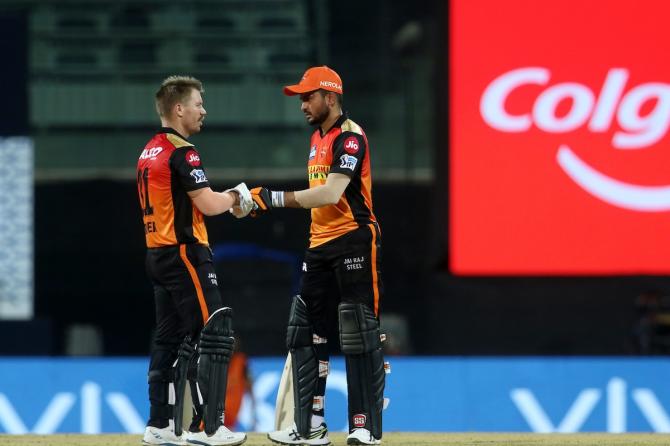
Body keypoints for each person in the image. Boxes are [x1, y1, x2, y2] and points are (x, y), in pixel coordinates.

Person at [245, 66, 386, 446]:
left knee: (358, 330)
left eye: (309, 96)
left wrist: (271, 199)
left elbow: (330, 194)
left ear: (331, 96)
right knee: (306, 332)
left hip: (355, 238)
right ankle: (311, 425)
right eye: (301, 97)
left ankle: (363, 425)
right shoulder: (316, 137)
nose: (303, 104)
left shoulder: (351, 137)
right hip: (319, 244)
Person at [137, 75, 253, 446]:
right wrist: (237, 197)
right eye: (199, 103)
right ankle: (209, 427)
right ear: (178, 108)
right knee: (213, 332)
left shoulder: (148, 151)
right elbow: (208, 204)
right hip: (186, 253)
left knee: (169, 340)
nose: (203, 110)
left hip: (157, 253)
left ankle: (160, 425)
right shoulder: (182, 152)